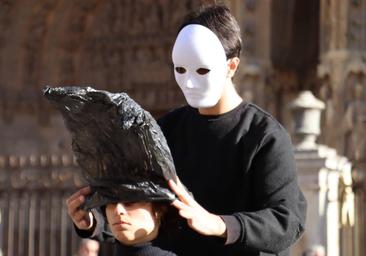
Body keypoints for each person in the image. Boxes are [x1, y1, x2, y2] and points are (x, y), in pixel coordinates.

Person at [67, 4, 306, 256]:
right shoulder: (166, 129)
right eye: (180, 70)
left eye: (202, 70)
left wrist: (219, 224)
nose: (189, 81)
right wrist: (95, 222)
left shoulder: (264, 135)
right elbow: (144, 211)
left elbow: (287, 222)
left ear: (231, 66)